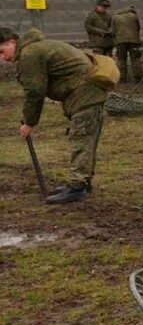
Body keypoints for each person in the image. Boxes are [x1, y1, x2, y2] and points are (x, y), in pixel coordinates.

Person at [0, 25, 109, 204]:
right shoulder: (39, 46)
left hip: (85, 95)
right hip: (89, 93)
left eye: (2, 51)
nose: (2, 57)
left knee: (80, 139)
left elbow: (35, 91)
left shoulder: (29, 53)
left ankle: (77, 187)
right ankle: (82, 181)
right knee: (85, 140)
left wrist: (29, 122)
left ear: (12, 42)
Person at [112, 5, 142, 82]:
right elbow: (138, 27)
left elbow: (113, 30)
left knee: (121, 59)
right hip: (134, 41)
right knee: (135, 59)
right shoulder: (134, 16)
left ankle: (122, 77)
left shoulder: (115, 17)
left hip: (120, 41)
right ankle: (138, 76)